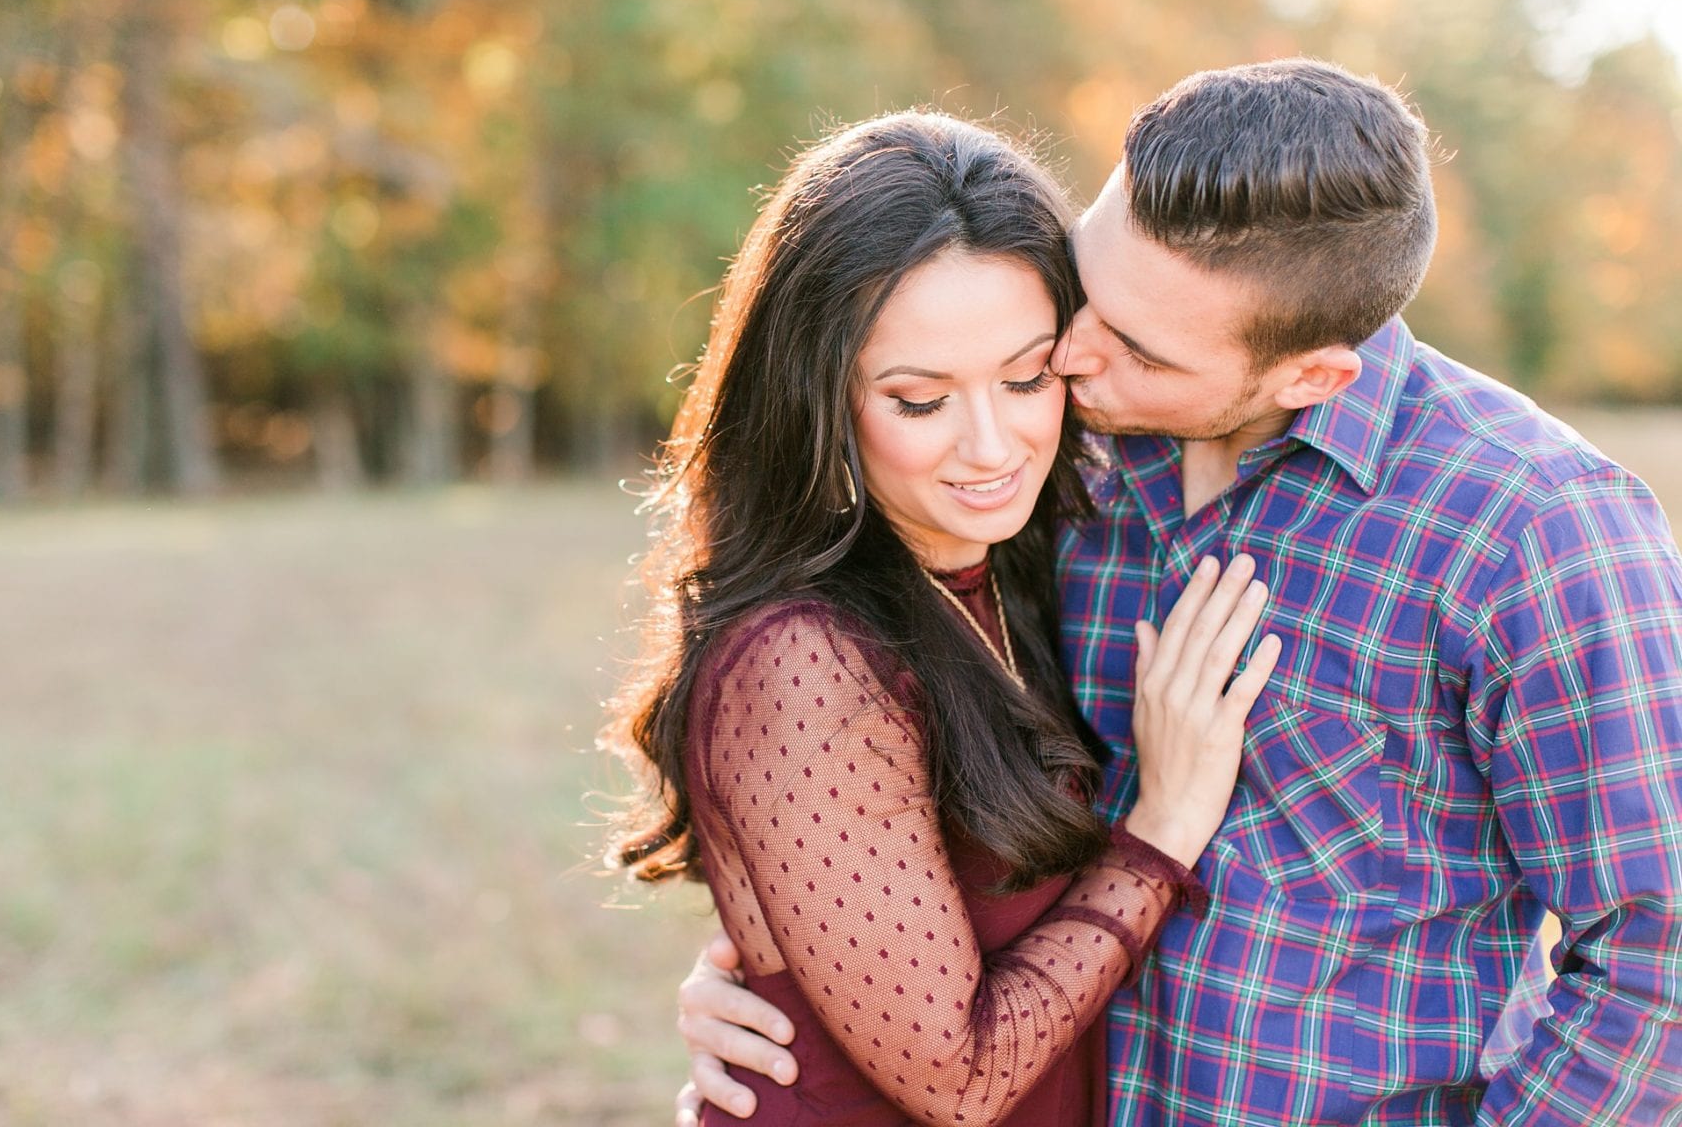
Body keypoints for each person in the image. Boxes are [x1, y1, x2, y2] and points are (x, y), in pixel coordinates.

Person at [676, 59, 1682, 1125]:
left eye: (1136, 350)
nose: (1069, 354)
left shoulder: (1534, 530)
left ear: (1311, 377)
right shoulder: (1061, 466)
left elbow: (1655, 954)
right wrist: (786, 989)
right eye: (1084, 292)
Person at [601, 109, 1284, 1125]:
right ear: (819, 397)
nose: (991, 445)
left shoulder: (1040, 561)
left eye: (1026, 376)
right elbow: (956, 1083)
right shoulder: (800, 660)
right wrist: (1162, 831)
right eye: (920, 400)